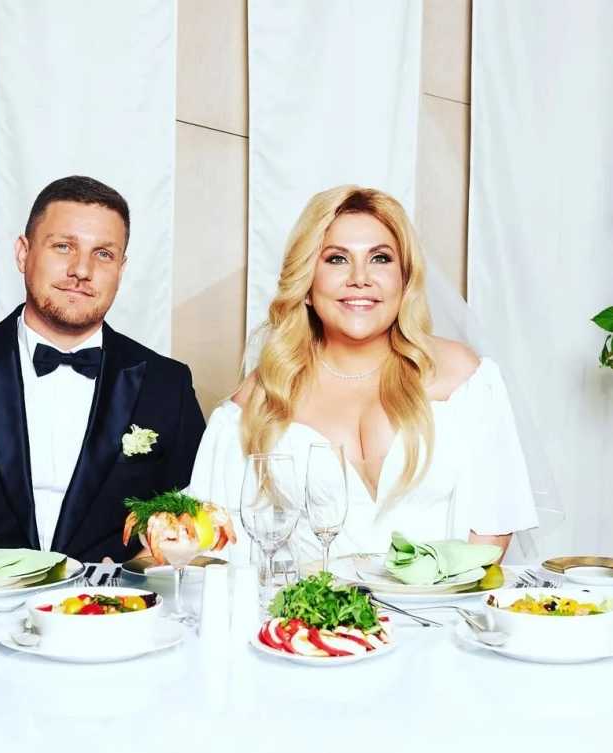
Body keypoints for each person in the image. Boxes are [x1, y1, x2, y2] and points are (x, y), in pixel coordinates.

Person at [189, 185, 540, 566]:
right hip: (305, 604)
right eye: (337, 259)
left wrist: (438, 593)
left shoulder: (461, 375)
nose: (360, 278)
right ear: (306, 286)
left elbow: (493, 520)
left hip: (442, 601)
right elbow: (218, 539)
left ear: (404, 280)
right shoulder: (263, 393)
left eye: (380, 258)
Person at [0, 175, 206, 563]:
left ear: (121, 269)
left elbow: (200, 519)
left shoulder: (168, 385)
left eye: (103, 254)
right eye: (63, 246)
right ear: (23, 254)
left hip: (113, 599)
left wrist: (142, 565)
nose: (82, 269)